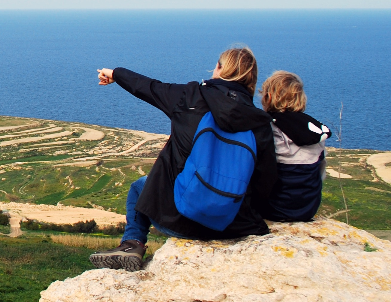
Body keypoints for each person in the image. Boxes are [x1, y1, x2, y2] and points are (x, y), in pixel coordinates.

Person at [89, 47, 278, 271]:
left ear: (218, 68)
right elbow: (265, 183)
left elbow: (149, 87)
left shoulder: (189, 96)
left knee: (139, 187)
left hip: (180, 220)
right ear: (252, 80)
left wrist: (115, 74)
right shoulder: (260, 122)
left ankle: (132, 244)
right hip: (233, 226)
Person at [256, 71, 329, 222]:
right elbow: (320, 172)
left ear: (268, 97)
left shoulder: (266, 128)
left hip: (272, 209)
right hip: (308, 209)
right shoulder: (314, 131)